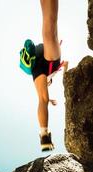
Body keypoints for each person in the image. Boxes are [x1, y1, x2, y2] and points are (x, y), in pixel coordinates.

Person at [31, 0, 62, 151]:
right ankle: (43, 134)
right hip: (44, 62)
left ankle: (44, 133)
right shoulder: (51, 75)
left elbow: (44, 98)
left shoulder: (49, 76)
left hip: (40, 62)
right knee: (50, 29)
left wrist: (49, 99)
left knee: (50, 28)